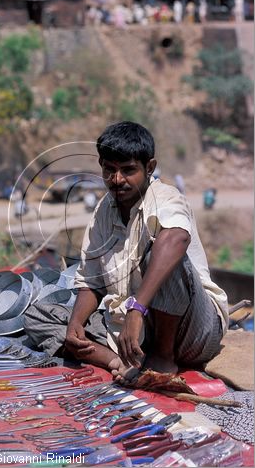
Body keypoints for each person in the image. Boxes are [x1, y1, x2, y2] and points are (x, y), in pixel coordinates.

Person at [24, 122, 228, 382]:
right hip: (132, 332)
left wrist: (137, 308)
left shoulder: (166, 197)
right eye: (109, 170)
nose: (117, 179)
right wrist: (75, 326)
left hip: (192, 331)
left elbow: (177, 238)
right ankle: (117, 360)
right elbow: (91, 281)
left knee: (164, 251)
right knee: (38, 315)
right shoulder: (103, 211)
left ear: (149, 168)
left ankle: (163, 357)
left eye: (128, 170)